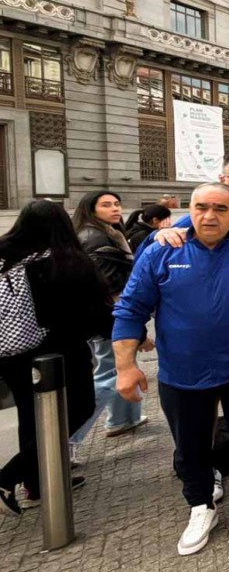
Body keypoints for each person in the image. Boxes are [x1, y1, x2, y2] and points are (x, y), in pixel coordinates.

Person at [113, 183, 229, 555]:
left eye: (219, 209)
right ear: (189, 209)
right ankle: (200, 507)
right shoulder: (162, 250)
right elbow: (131, 309)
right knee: (191, 444)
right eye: (201, 207)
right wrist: (125, 366)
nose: (209, 216)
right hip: (182, 371)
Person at [0, 201, 109, 515]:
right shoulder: (66, 261)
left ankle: (37, 483)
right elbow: (93, 312)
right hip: (59, 352)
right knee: (78, 408)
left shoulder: (5, 254)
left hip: (10, 353)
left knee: (29, 415)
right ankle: (11, 475)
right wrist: (131, 336)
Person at [71, 191, 148, 449]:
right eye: (106, 205)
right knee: (107, 374)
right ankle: (67, 440)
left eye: (116, 203)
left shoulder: (109, 233)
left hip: (112, 314)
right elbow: (105, 287)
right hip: (108, 316)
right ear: (91, 210)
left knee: (121, 367)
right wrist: (128, 323)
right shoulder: (94, 238)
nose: (115, 209)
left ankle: (122, 419)